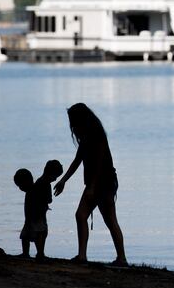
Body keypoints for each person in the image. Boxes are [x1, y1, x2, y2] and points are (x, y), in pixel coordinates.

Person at [54, 103, 127, 266]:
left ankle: (122, 258)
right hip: (95, 184)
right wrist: (63, 180)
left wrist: (92, 187)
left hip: (105, 182)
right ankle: (82, 256)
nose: (71, 123)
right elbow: (77, 160)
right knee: (81, 216)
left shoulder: (97, 135)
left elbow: (100, 163)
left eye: (72, 119)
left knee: (110, 220)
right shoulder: (86, 137)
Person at [14, 160, 63, 259]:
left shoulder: (38, 183)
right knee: (41, 233)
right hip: (39, 215)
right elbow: (48, 200)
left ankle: (26, 253)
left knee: (26, 235)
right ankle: (40, 253)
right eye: (55, 176)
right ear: (50, 173)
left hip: (30, 216)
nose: (55, 179)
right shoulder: (45, 184)